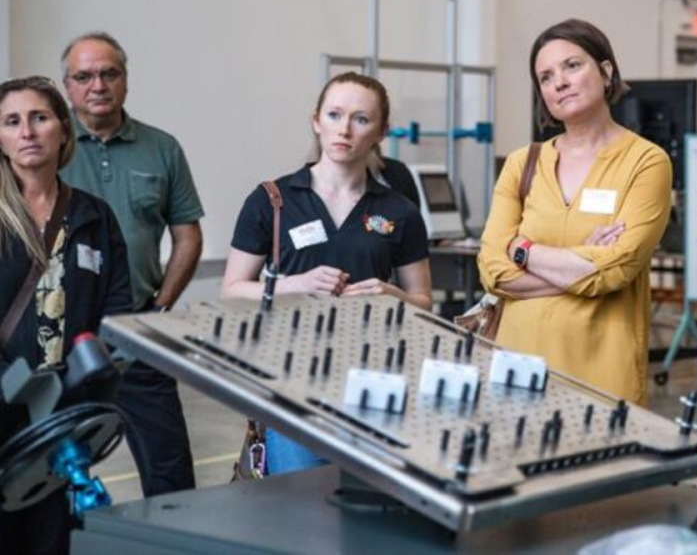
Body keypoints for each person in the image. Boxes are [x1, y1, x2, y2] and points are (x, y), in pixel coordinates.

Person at [222, 72, 431, 473]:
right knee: (300, 511)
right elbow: (232, 290)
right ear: (316, 120)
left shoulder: (399, 211)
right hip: (294, 383)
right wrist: (294, 285)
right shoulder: (273, 200)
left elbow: (423, 303)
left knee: (365, 511)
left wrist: (393, 297)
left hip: (375, 384)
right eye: (335, 115)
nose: (345, 130)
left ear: (382, 131)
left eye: (361, 119)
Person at [477, 19, 672, 405]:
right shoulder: (522, 163)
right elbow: (490, 270)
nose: (559, 82)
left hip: (601, 376)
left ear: (605, 71)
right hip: (516, 369)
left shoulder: (647, 162)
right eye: (545, 77)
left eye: (571, 66)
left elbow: (615, 269)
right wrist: (582, 261)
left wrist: (523, 250)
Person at [59, 32, 203, 497]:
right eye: (84, 76)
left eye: (109, 73)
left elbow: (187, 234)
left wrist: (160, 306)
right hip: (60, 335)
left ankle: (175, 543)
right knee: (45, 465)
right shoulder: (45, 149)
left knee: (170, 470)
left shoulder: (162, 148)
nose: (97, 85)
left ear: (125, 80)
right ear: (68, 86)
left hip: (136, 331)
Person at [0, 76, 131, 554]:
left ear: (63, 130)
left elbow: (117, 307)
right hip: (5, 404)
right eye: (12, 121)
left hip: (61, 412)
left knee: (53, 534)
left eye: (39, 118)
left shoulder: (92, 216)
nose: (27, 131)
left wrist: (92, 377)